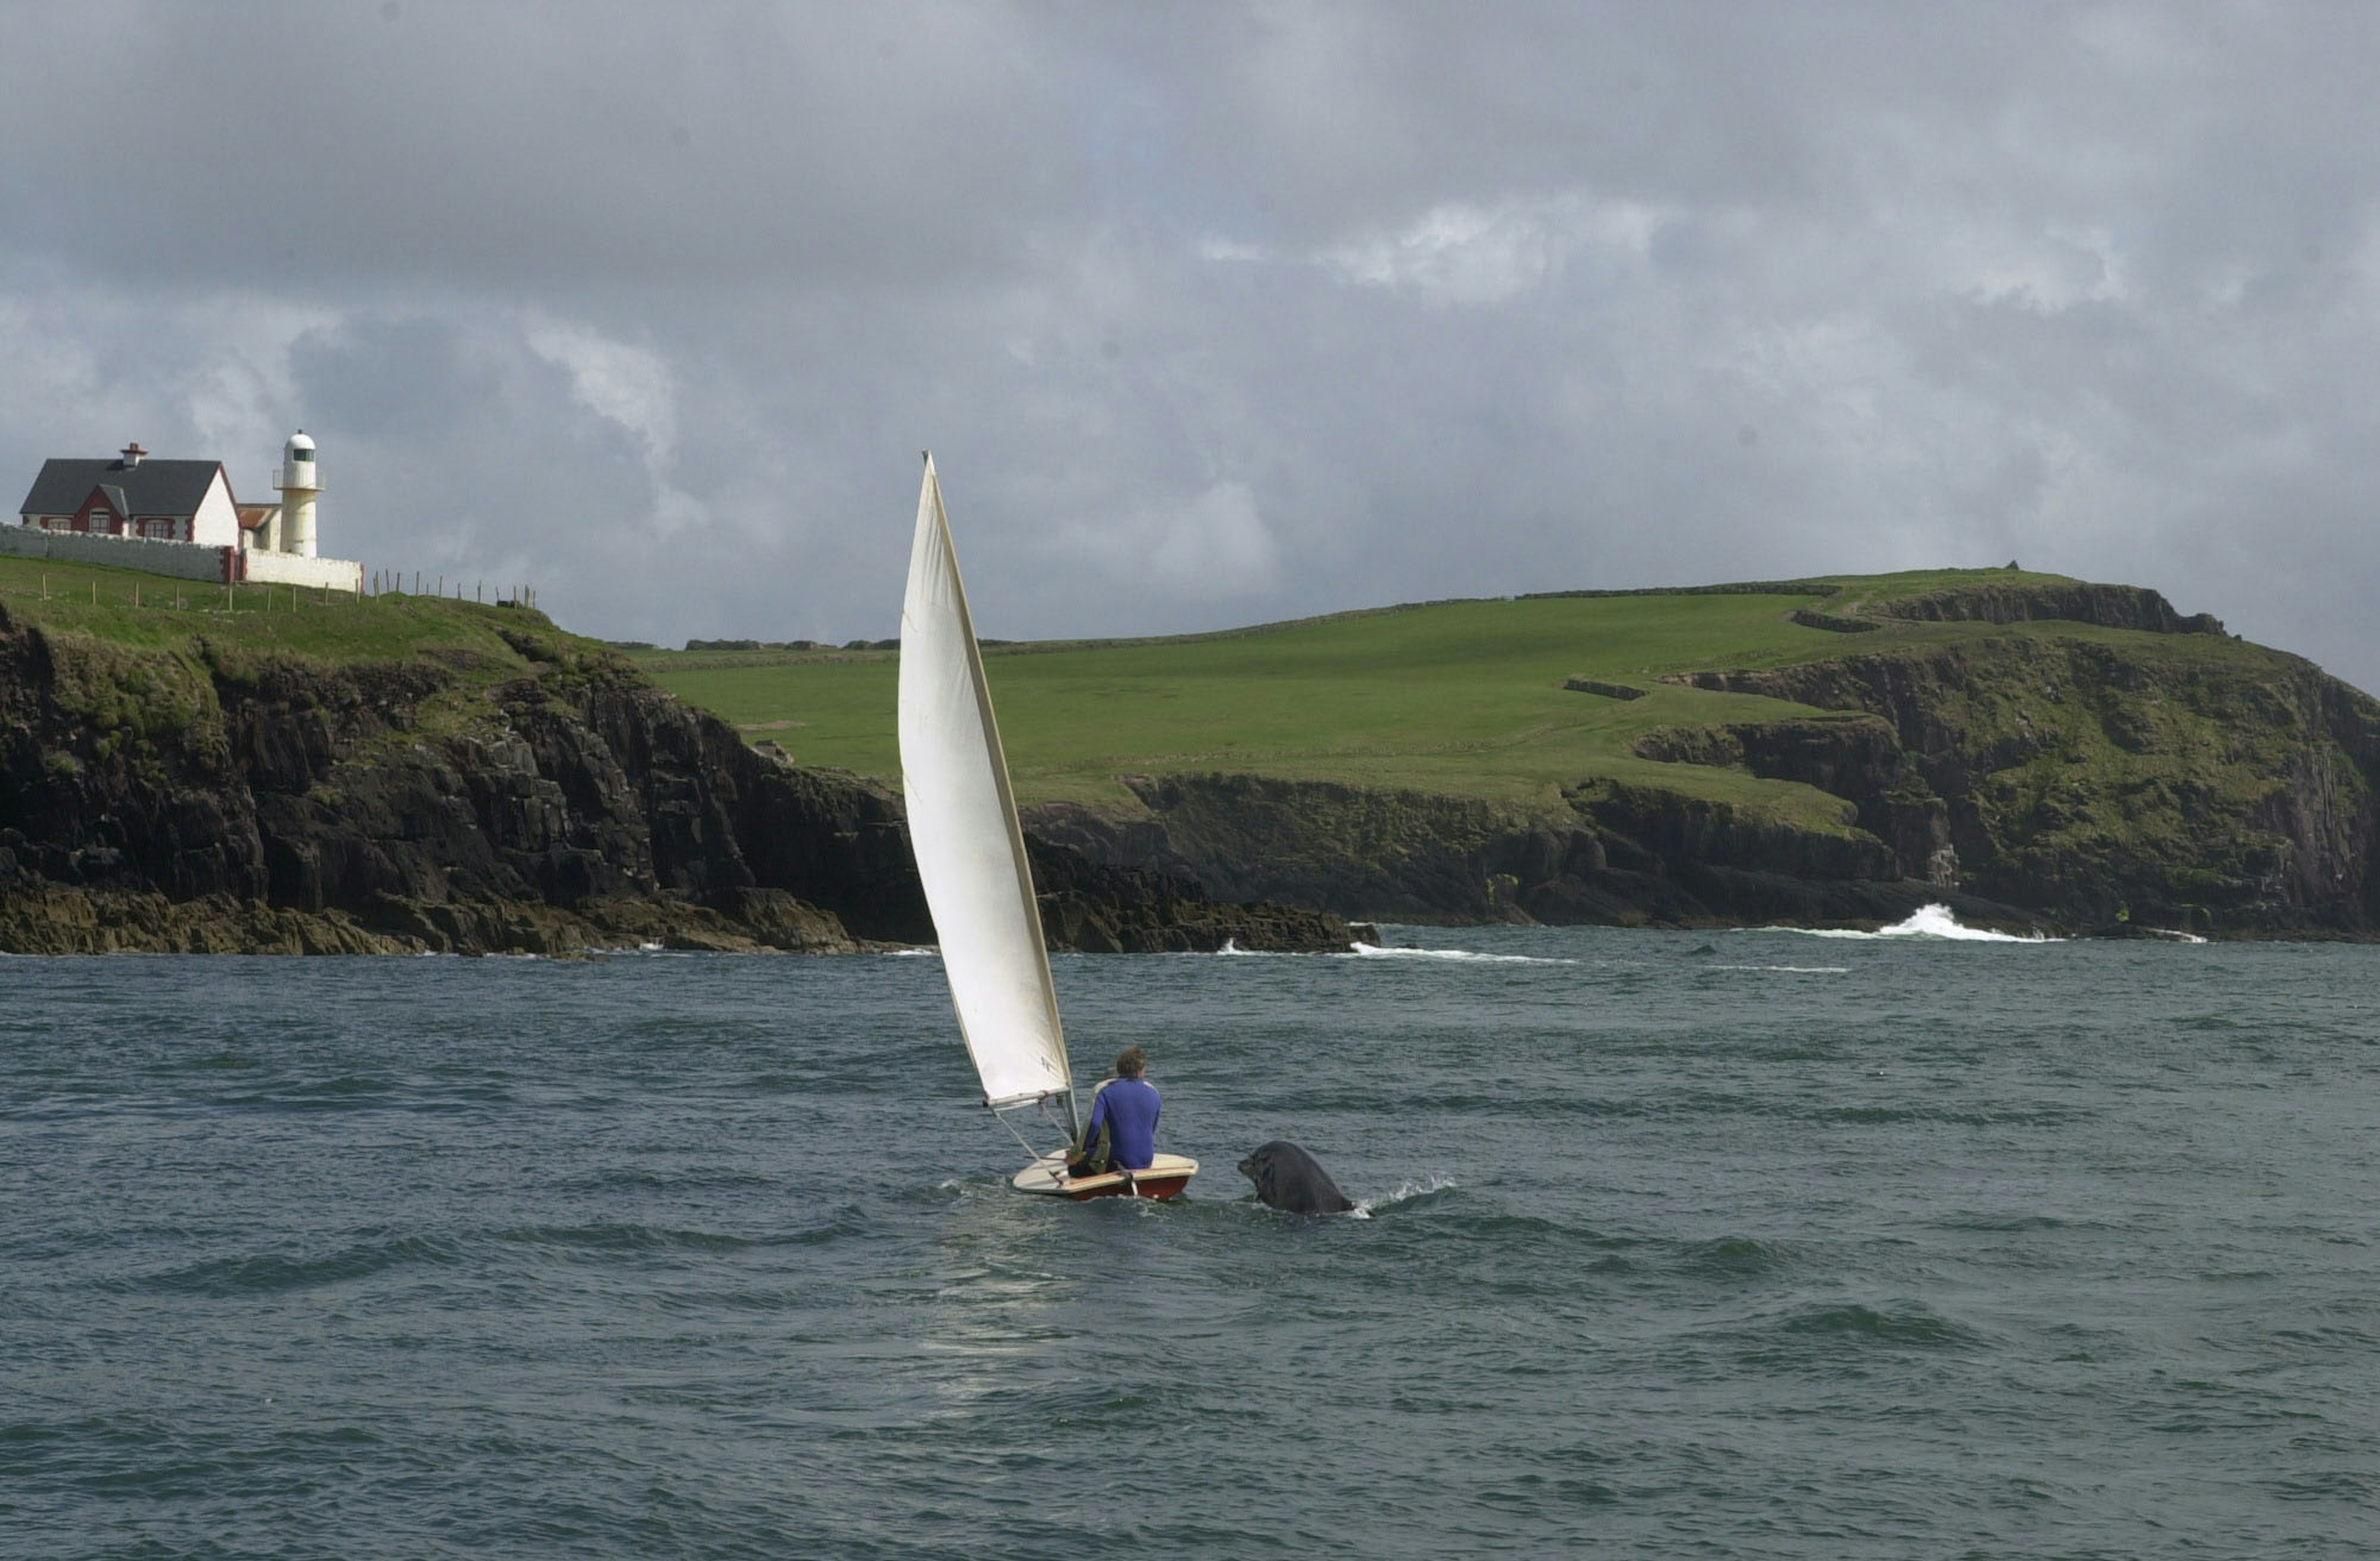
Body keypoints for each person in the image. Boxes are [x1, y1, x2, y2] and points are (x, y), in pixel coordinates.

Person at [1070, 1047, 1160, 1178]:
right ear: (1142, 1070)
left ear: (1119, 1068)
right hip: (1145, 1163)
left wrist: (1076, 1154)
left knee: (1073, 1168)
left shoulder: (1103, 1089)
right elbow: (1151, 1129)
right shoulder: (1154, 1092)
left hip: (1114, 1165)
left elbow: (1094, 1125)